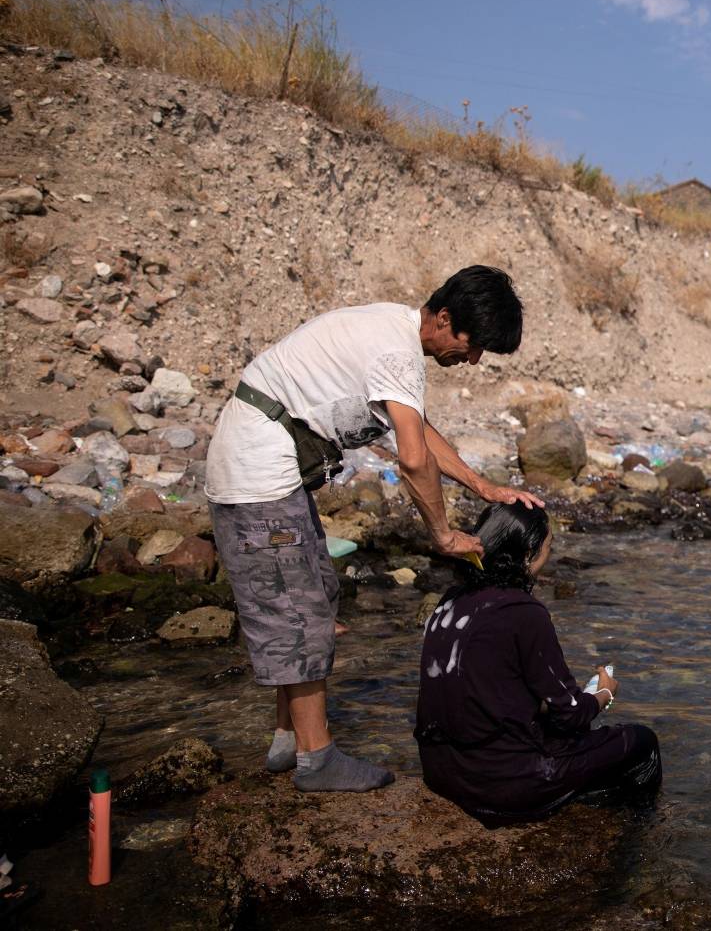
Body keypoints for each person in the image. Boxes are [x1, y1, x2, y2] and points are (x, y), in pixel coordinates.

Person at [206, 265, 542, 793]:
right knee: (299, 613)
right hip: (257, 476)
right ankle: (317, 761)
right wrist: (443, 533)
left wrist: (482, 486)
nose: (473, 361)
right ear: (446, 319)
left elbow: (420, 430)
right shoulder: (396, 352)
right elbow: (412, 459)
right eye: (473, 346)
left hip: (269, 473)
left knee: (313, 592)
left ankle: (287, 739)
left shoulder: (394, 328)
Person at [415, 503, 662, 825]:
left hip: (441, 772)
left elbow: (485, 694)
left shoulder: (449, 602)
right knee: (642, 742)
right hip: (502, 785)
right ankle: (632, 831)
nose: (548, 558)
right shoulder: (523, 611)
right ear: (529, 554)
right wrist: (604, 695)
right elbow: (572, 716)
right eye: (548, 548)